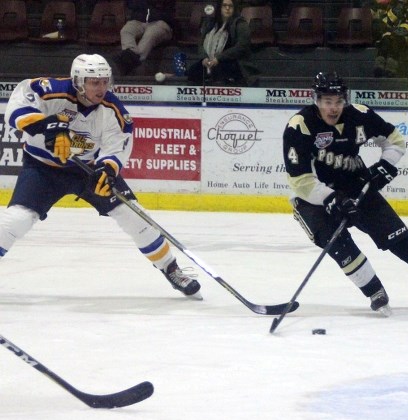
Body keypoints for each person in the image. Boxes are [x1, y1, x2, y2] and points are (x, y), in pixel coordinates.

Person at [2, 54, 201, 299]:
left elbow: (116, 149)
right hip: (43, 169)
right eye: (94, 82)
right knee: (16, 220)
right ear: (78, 81)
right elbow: (17, 108)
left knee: (135, 217)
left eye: (105, 81)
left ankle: (171, 269)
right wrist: (48, 125)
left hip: (88, 171)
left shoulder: (114, 111)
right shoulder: (49, 90)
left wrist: (107, 171)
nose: (101, 87)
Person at [282, 72, 408, 316]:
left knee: (401, 239)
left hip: (357, 187)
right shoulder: (300, 126)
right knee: (340, 245)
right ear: (316, 100)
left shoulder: (360, 115)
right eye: (327, 101)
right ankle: (374, 292)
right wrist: (331, 198)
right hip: (314, 198)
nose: (333, 108)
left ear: (345, 100)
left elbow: (395, 141)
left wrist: (386, 166)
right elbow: (300, 180)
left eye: (338, 101)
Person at [186, 0, 254, 86]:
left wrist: (219, 58)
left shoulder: (240, 24)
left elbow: (241, 46)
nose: (227, 8)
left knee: (220, 71)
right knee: (193, 71)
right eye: (224, 5)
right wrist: (204, 58)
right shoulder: (211, 24)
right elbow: (201, 43)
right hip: (210, 60)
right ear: (220, 8)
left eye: (230, 6)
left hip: (233, 61)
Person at [115, 0, 176, 76]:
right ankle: (129, 56)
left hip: (161, 22)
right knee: (126, 30)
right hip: (138, 21)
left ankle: (129, 62)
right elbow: (131, 4)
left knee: (150, 34)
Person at [373, 0, 408, 78]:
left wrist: (394, 31)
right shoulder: (397, 6)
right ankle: (379, 66)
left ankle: (391, 68)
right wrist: (387, 30)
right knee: (386, 39)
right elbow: (387, 20)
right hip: (392, 32)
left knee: (397, 39)